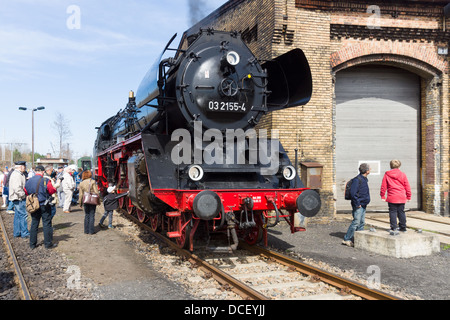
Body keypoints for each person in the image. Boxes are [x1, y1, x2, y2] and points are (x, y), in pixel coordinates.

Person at [25, 165, 57, 249]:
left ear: (35, 171)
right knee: (46, 223)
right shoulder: (45, 180)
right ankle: (48, 243)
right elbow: (52, 190)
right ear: (43, 172)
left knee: (34, 223)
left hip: (34, 205)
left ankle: (32, 244)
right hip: (44, 204)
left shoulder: (29, 181)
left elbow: (25, 190)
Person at [342, 163, 371, 247]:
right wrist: (357, 203)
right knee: (356, 222)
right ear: (366, 171)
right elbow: (353, 193)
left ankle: (359, 240)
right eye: (369, 169)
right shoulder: (357, 180)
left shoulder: (364, 179)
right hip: (358, 205)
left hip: (363, 204)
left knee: (361, 223)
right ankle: (347, 239)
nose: (370, 170)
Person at [380, 159, 411, 232]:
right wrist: (408, 196)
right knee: (401, 212)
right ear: (399, 166)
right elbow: (407, 186)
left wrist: (383, 196)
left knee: (393, 212)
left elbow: (383, 186)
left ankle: (394, 227)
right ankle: (403, 227)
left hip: (392, 197)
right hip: (401, 197)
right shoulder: (403, 174)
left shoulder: (387, 174)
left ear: (390, 166)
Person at [9, 161, 29, 238]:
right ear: (21, 167)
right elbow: (17, 188)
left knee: (18, 216)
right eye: (24, 166)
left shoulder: (17, 174)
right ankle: (24, 233)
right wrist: (23, 195)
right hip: (19, 198)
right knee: (23, 215)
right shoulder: (17, 175)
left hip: (16, 197)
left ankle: (17, 232)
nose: (25, 168)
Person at [78, 170, 100, 234]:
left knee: (86, 215)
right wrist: (98, 200)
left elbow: (81, 194)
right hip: (92, 200)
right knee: (92, 215)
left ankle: (86, 230)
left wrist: (80, 203)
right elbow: (96, 192)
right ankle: (91, 231)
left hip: (85, 200)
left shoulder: (81, 183)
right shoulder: (92, 181)